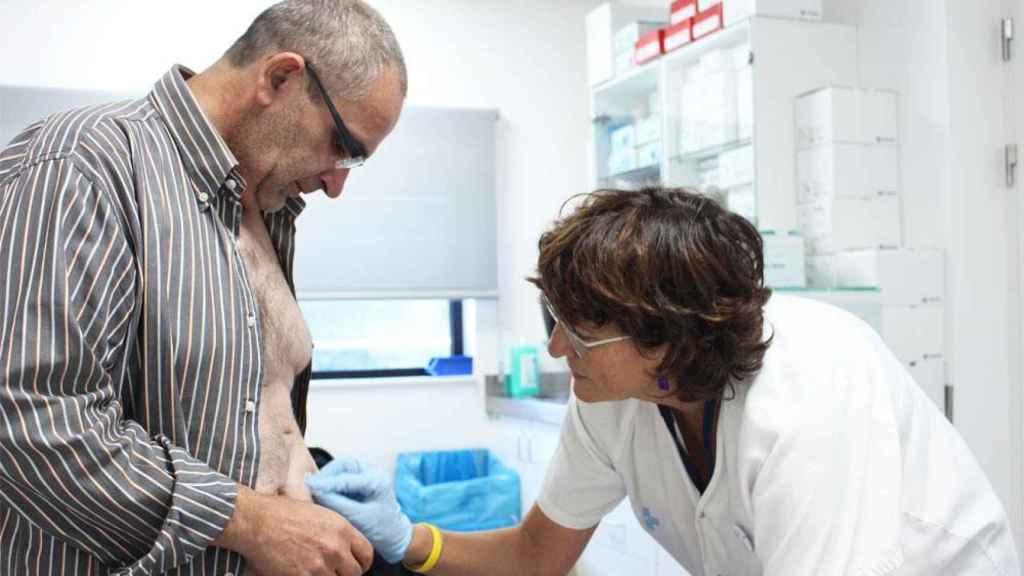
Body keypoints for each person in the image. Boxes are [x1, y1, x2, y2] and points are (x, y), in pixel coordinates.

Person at [307, 187, 1021, 575]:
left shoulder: (812, 394)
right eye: (553, 319)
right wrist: (408, 539)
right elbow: (535, 556)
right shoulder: (613, 397)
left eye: (578, 331)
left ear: (668, 338)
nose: (557, 348)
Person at [0, 1, 405, 574]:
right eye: (344, 146)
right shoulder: (82, 165)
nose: (336, 184)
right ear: (280, 78)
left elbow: (237, 420)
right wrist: (250, 522)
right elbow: (27, 416)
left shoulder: (267, 208)